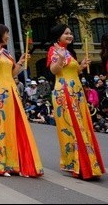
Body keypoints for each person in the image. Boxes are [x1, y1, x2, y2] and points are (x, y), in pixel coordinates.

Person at [0, 23, 43, 178]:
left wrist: (21, 62)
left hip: (11, 90)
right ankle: (0, 164)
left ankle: (17, 162)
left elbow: (13, 72)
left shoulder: (7, 53)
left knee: (15, 125)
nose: (8, 36)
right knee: (1, 126)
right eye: (6, 33)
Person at [47, 24, 104, 179]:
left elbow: (72, 71)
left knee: (82, 125)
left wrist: (81, 66)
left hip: (76, 92)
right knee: (72, 126)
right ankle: (77, 163)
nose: (70, 36)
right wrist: (59, 58)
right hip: (64, 92)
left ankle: (87, 162)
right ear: (58, 36)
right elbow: (54, 71)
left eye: (71, 33)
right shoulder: (54, 50)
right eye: (66, 33)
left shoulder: (68, 52)